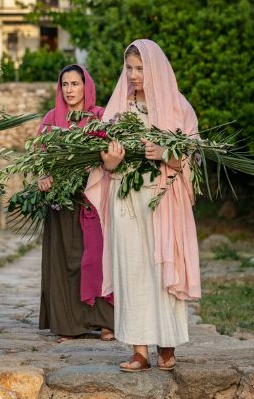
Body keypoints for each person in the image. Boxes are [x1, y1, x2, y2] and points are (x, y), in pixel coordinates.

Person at [84, 39, 201, 372]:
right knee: (131, 268)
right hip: (126, 198)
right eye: (129, 69)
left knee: (160, 268)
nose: (133, 75)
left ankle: (167, 344)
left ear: (155, 69)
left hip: (162, 200)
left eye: (140, 68)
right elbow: (101, 159)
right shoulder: (119, 108)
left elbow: (192, 157)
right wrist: (109, 162)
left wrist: (166, 154)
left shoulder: (179, 108)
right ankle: (139, 349)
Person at [38, 64, 115, 343]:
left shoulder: (100, 117)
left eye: (75, 84)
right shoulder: (51, 119)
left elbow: (111, 156)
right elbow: (40, 160)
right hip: (61, 201)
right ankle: (68, 324)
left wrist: (91, 169)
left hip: (92, 200)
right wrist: (43, 177)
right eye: (65, 85)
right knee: (65, 261)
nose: (69, 90)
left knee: (95, 258)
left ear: (86, 87)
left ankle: (106, 321)